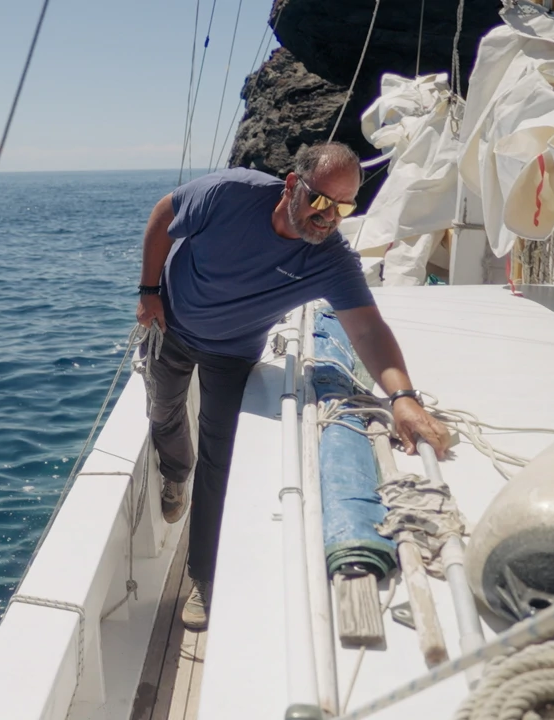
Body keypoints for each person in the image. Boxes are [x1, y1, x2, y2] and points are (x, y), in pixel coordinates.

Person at [135, 142, 451, 631]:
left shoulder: (330, 260)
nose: (329, 218)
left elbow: (368, 330)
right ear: (291, 185)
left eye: (344, 209)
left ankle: (204, 578)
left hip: (230, 355)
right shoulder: (229, 194)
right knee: (162, 413)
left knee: (220, 458)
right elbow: (163, 215)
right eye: (322, 202)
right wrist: (149, 291)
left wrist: (403, 399)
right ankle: (175, 472)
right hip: (170, 325)